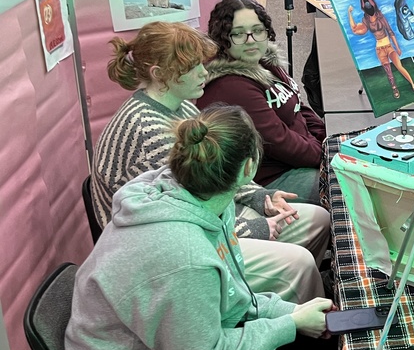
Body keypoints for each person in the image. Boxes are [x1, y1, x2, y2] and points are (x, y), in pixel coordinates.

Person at [67, 105, 346, 350]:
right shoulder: (183, 254)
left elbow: (233, 298)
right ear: (249, 169)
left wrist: (291, 313)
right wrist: (287, 325)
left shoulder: (201, 200)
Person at [91, 22, 328, 303]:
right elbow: (184, 217)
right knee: (296, 264)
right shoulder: (150, 131)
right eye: (193, 68)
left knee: (318, 220)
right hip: (167, 250)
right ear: (159, 74)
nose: (205, 72)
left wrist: (260, 196)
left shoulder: (182, 103)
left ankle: (277, 299)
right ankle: (303, 325)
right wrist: (254, 229)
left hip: (202, 217)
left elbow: (215, 177)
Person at [200, 0, 328, 205]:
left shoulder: (264, 62)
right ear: (223, 38)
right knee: (344, 184)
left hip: (299, 159)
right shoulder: (232, 86)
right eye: (239, 34)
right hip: (269, 180)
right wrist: (325, 156)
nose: (250, 40)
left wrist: (327, 140)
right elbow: (279, 141)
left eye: (257, 30)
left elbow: (298, 106)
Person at [348, 0, 414, 99]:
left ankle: (412, 84)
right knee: (388, 72)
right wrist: (349, 13)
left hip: (388, 46)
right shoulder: (365, 20)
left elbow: (390, 32)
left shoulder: (380, 16)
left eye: (369, 4)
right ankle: (395, 89)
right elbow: (355, 29)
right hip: (379, 49)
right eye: (366, 5)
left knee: (399, 66)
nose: (368, 6)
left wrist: (397, 47)